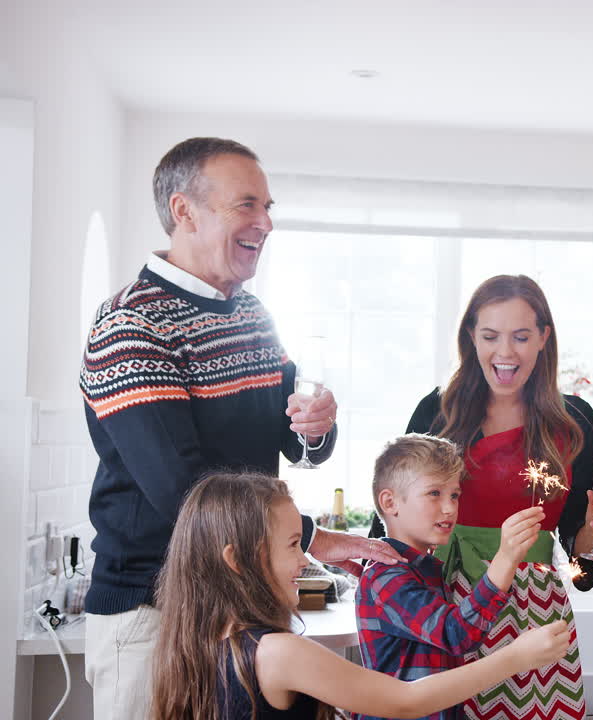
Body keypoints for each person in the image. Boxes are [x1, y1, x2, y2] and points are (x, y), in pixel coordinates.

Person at [79, 137, 402, 719]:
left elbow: (296, 441)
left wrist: (316, 426)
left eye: (269, 206)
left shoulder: (251, 314)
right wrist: (312, 541)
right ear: (185, 212)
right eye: (247, 205)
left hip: (241, 600)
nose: (266, 223)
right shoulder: (131, 322)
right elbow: (187, 493)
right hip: (153, 610)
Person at [372, 274, 593, 720]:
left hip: (538, 615)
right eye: (490, 336)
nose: (505, 352)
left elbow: (580, 564)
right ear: (470, 336)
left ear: (544, 338)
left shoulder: (575, 421)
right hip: (447, 609)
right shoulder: (437, 410)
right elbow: (389, 530)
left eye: (522, 336)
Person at [150, 472, 570, 720]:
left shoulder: (200, 642)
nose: (306, 561)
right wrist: (516, 657)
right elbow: (406, 701)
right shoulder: (276, 653)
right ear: (237, 560)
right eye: (294, 544)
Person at [358, 434, 552, 720]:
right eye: (434, 493)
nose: (449, 508)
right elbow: (456, 634)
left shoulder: (427, 569)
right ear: (390, 502)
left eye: (454, 495)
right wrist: (506, 558)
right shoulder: (385, 577)